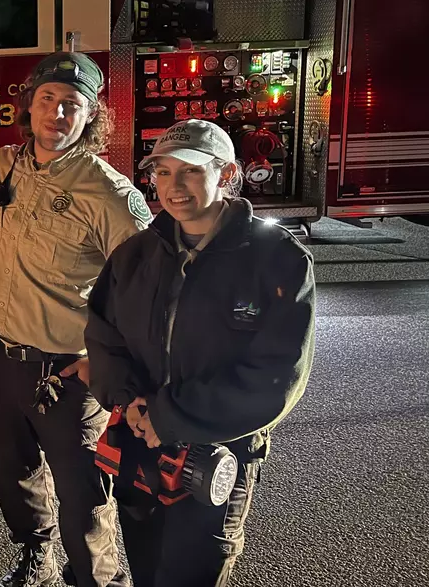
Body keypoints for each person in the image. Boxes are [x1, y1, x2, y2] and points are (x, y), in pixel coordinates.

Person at [85, 119, 316, 587]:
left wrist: (169, 417)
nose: (174, 186)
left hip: (217, 451)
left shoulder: (277, 259)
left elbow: (276, 376)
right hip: (140, 444)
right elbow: (104, 335)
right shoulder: (134, 254)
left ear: (227, 174)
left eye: (190, 171)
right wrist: (128, 402)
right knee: (148, 569)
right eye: (164, 173)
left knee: (194, 574)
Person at [0, 52, 150, 587]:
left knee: (83, 491)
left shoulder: (109, 194)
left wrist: (106, 360)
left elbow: (147, 290)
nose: (56, 114)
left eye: (72, 105)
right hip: (0, 356)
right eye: (47, 100)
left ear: (90, 116)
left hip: (68, 373)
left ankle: (97, 579)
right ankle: (36, 556)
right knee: (13, 470)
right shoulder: (1, 166)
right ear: (29, 104)